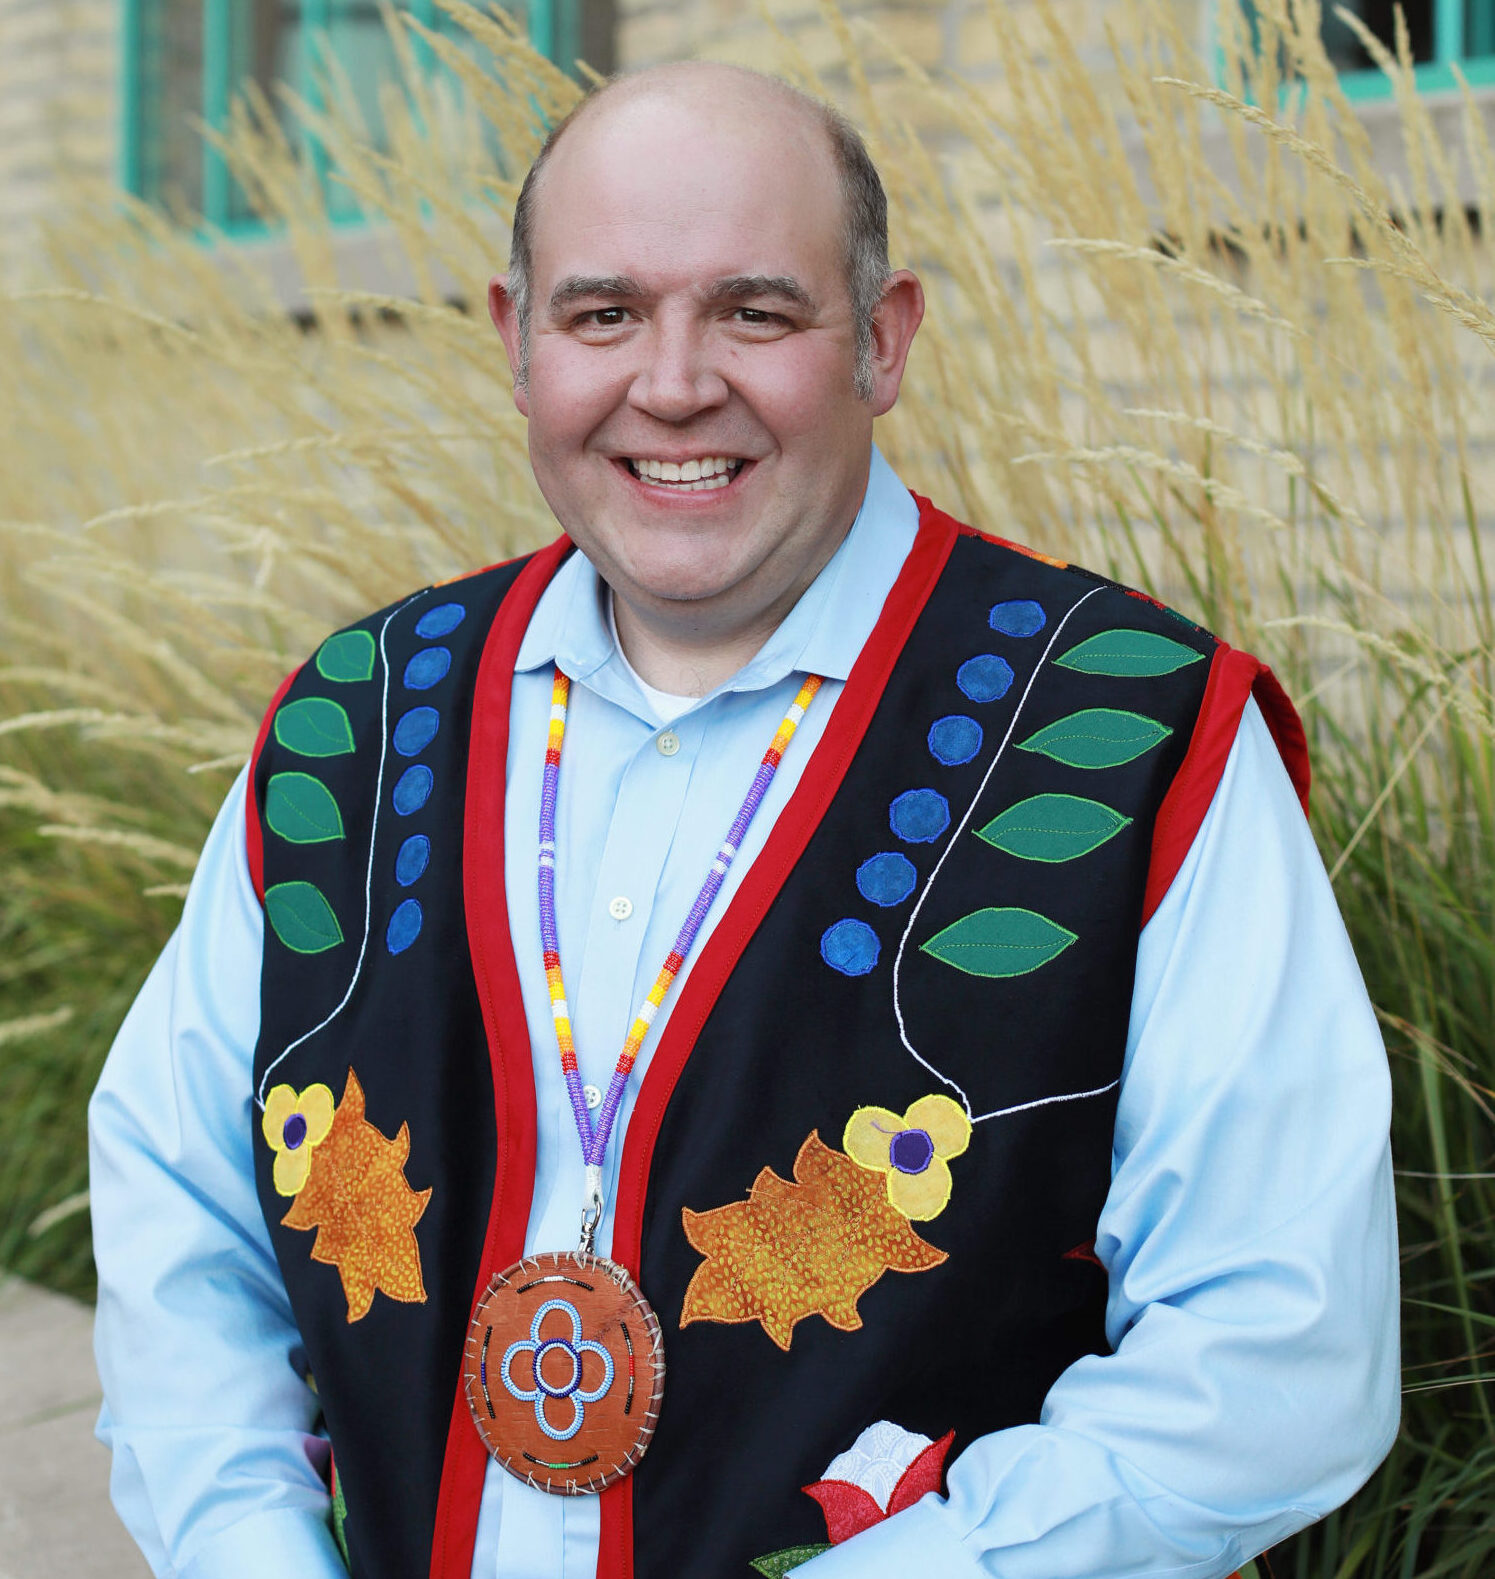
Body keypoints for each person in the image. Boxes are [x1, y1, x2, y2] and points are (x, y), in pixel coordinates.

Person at [89, 61, 1399, 1579]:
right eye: (603, 314)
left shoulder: (1137, 738)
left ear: (886, 340)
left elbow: (1277, 1349)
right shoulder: (349, 726)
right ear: (517, 343)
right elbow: (180, 1210)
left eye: (756, 312)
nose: (672, 382)